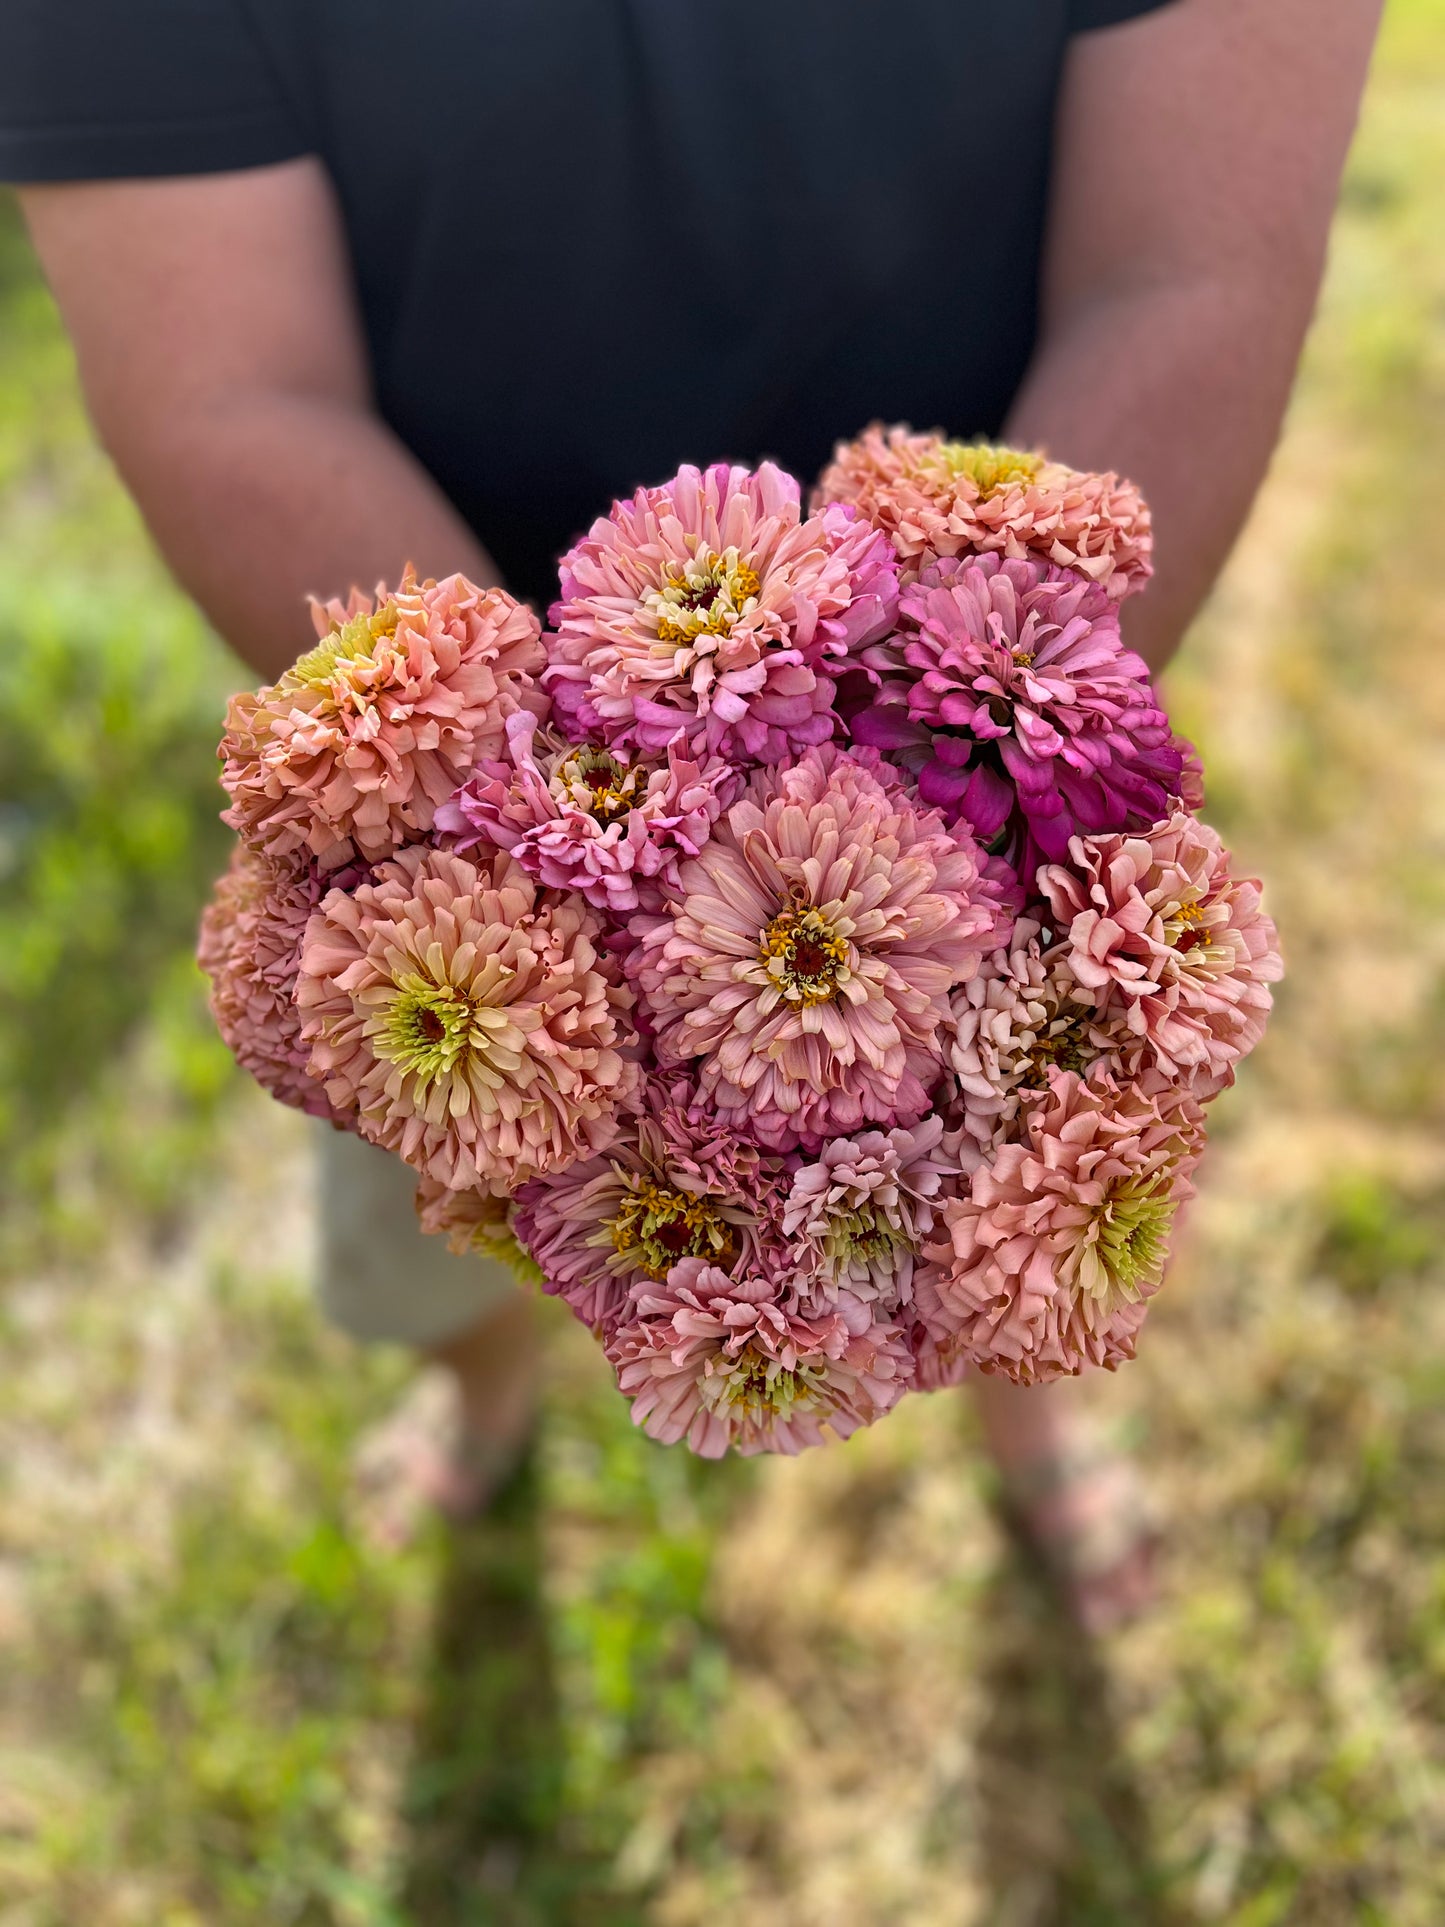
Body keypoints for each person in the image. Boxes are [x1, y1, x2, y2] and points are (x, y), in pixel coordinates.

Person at [1, 0, 1381, 1627]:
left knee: (1012, 1167)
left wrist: (998, 760)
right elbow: (226, 391)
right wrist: (521, 860)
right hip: (457, 725)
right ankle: (485, 1389)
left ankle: (1025, 1392)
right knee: (468, 1157)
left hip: (964, 685)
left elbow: (1190, 271)